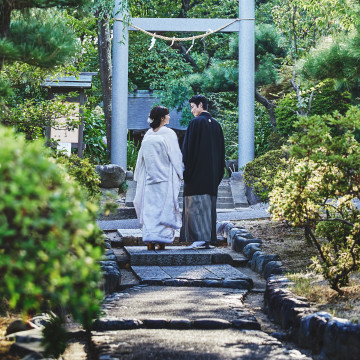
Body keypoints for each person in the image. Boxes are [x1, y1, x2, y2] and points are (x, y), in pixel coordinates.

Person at [133, 106, 183, 251]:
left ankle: (149, 241)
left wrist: (139, 175)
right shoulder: (169, 134)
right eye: (167, 115)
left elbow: (140, 157)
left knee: (150, 209)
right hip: (165, 178)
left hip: (150, 178)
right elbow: (175, 156)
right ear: (162, 118)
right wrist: (180, 173)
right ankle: (162, 241)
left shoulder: (148, 134)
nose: (169, 117)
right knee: (164, 208)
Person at [180, 94, 225, 249]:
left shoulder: (196, 123)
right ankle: (207, 239)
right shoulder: (217, 125)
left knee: (195, 204)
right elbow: (222, 153)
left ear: (200, 105)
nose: (192, 110)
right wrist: (219, 174)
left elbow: (188, 150)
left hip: (197, 173)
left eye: (193, 107)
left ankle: (198, 238)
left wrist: (186, 171)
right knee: (208, 205)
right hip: (212, 174)